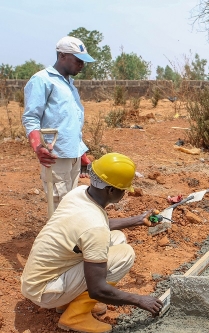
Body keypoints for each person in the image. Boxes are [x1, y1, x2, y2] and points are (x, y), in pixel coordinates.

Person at [21, 153, 163, 332]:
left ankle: (70, 301)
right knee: (124, 255)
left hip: (38, 279)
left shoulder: (79, 193)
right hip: (46, 292)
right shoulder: (95, 227)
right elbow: (98, 290)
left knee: (117, 238)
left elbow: (93, 228)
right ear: (111, 191)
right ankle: (75, 316)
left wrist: (138, 219)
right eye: (123, 189)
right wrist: (140, 300)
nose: (125, 193)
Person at [22, 36, 94, 214]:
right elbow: (31, 117)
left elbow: (69, 123)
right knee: (59, 208)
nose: (81, 65)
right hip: (55, 156)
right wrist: (38, 146)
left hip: (73, 155)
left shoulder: (69, 83)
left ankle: (70, 241)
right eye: (78, 60)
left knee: (70, 205)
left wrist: (81, 153)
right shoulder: (42, 80)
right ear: (62, 56)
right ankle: (57, 242)